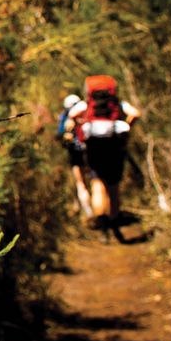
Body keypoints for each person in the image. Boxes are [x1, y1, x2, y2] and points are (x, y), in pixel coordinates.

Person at [69, 75, 140, 231]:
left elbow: (72, 115)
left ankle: (101, 221)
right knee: (113, 185)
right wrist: (126, 127)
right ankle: (114, 219)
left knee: (97, 183)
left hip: (94, 148)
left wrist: (80, 126)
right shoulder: (117, 104)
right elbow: (135, 113)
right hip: (115, 148)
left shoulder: (87, 105)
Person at [56, 93, 93, 220]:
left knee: (81, 183)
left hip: (75, 153)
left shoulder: (65, 117)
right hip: (90, 150)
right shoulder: (86, 111)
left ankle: (89, 213)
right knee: (95, 180)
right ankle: (101, 210)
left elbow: (60, 135)